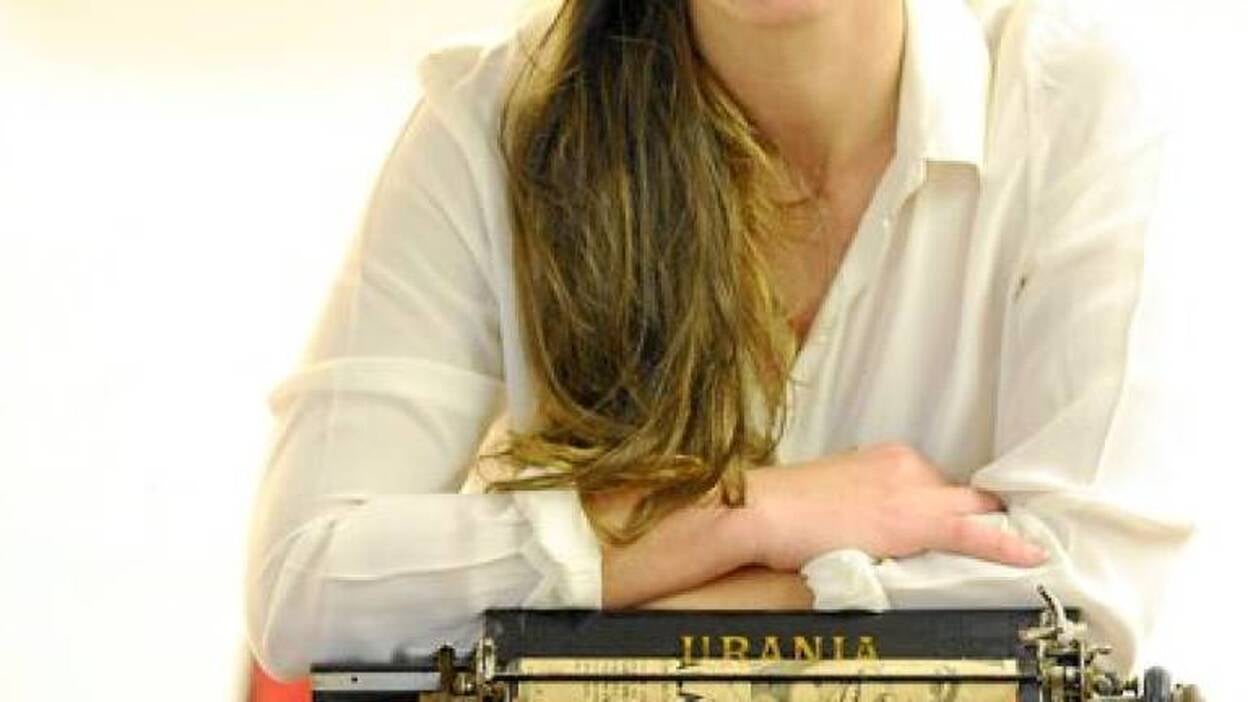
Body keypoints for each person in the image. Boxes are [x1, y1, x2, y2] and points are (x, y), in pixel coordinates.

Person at [244, 0, 1193, 684]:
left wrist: (617, 603)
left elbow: (1083, 606)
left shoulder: (1071, 100)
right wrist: (747, 515)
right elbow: (306, 585)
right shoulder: (495, 119)